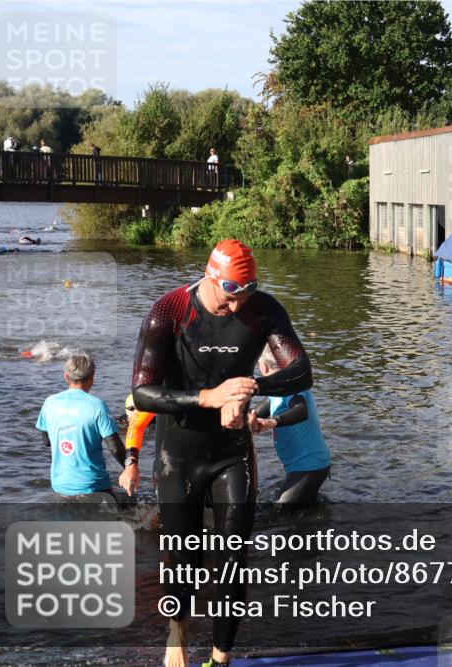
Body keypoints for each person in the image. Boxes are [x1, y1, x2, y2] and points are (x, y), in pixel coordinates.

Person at [131, 239, 313, 667]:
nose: (237, 306)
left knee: (234, 557)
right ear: (212, 277)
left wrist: (250, 389)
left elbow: (301, 370)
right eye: (231, 295)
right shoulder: (170, 311)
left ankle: (220, 658)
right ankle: (177, 631)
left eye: (246, 294)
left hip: (231, 453)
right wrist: (209, 398)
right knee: (184, 557)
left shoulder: (263, 309)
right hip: (179, 456)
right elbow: (141, 393)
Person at [35, 353, 125, 501]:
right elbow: (115, 447)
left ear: (66, 376)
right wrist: (128, 467)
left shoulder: (49, 402)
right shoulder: (97, 406)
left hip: (60, 486)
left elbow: (46, 441)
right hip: (94, 486)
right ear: (92, 377)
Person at [249, 346, 330, 504]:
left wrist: (272, 422)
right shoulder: (277, 392)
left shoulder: (294, 389)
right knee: (297, 505)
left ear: (263, 367)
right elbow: (255, 412)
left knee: (283, 509)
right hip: (302, 466)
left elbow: (301, 410)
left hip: (310, 467)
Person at [118, 393, 154, 495]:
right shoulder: (120, 423)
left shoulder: (153, 421)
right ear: (126, 410)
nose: (136, 412)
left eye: (139, 408)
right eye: (131, 409)